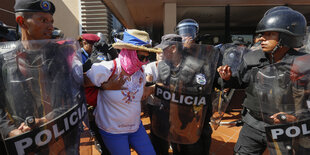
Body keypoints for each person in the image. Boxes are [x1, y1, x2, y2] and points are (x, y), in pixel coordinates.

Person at [217, 6, 307, 154]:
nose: (261, 39)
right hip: (253, 124)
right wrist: (227, 78)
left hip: (286, 129)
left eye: (269, 34)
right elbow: (239, 81)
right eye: (261, 34)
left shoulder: (303, 64)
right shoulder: (252, 58)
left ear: (286, 37)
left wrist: (295, 117)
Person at [0, 0, 86, 154]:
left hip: (59, 139)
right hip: (24, 145)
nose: (51, 26)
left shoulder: (60, 55)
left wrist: (44, 120)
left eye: (51, 21)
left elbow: (70, 100)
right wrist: (10, 131)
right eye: (43, 20)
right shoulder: (5, 59)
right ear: (22, 22)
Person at [143, 33, 220, 155]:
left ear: (173, 48)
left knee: (193, 150)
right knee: (176, 148)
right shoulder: (163, 66)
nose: (161, 52)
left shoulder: (196, 66)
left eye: (164, 49)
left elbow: (202, 92)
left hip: (190, 121)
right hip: (172, 120)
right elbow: (164, 87)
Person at [86, 29, 159, 155]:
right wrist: (105, 86)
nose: (144, 62)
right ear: (129, 52)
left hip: (136, 127)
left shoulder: (140, 71)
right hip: (113, 130)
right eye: (142, 57)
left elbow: (137, 95)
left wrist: (154, 88)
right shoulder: (108, 68)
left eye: (148, 57)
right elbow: (79, 81)